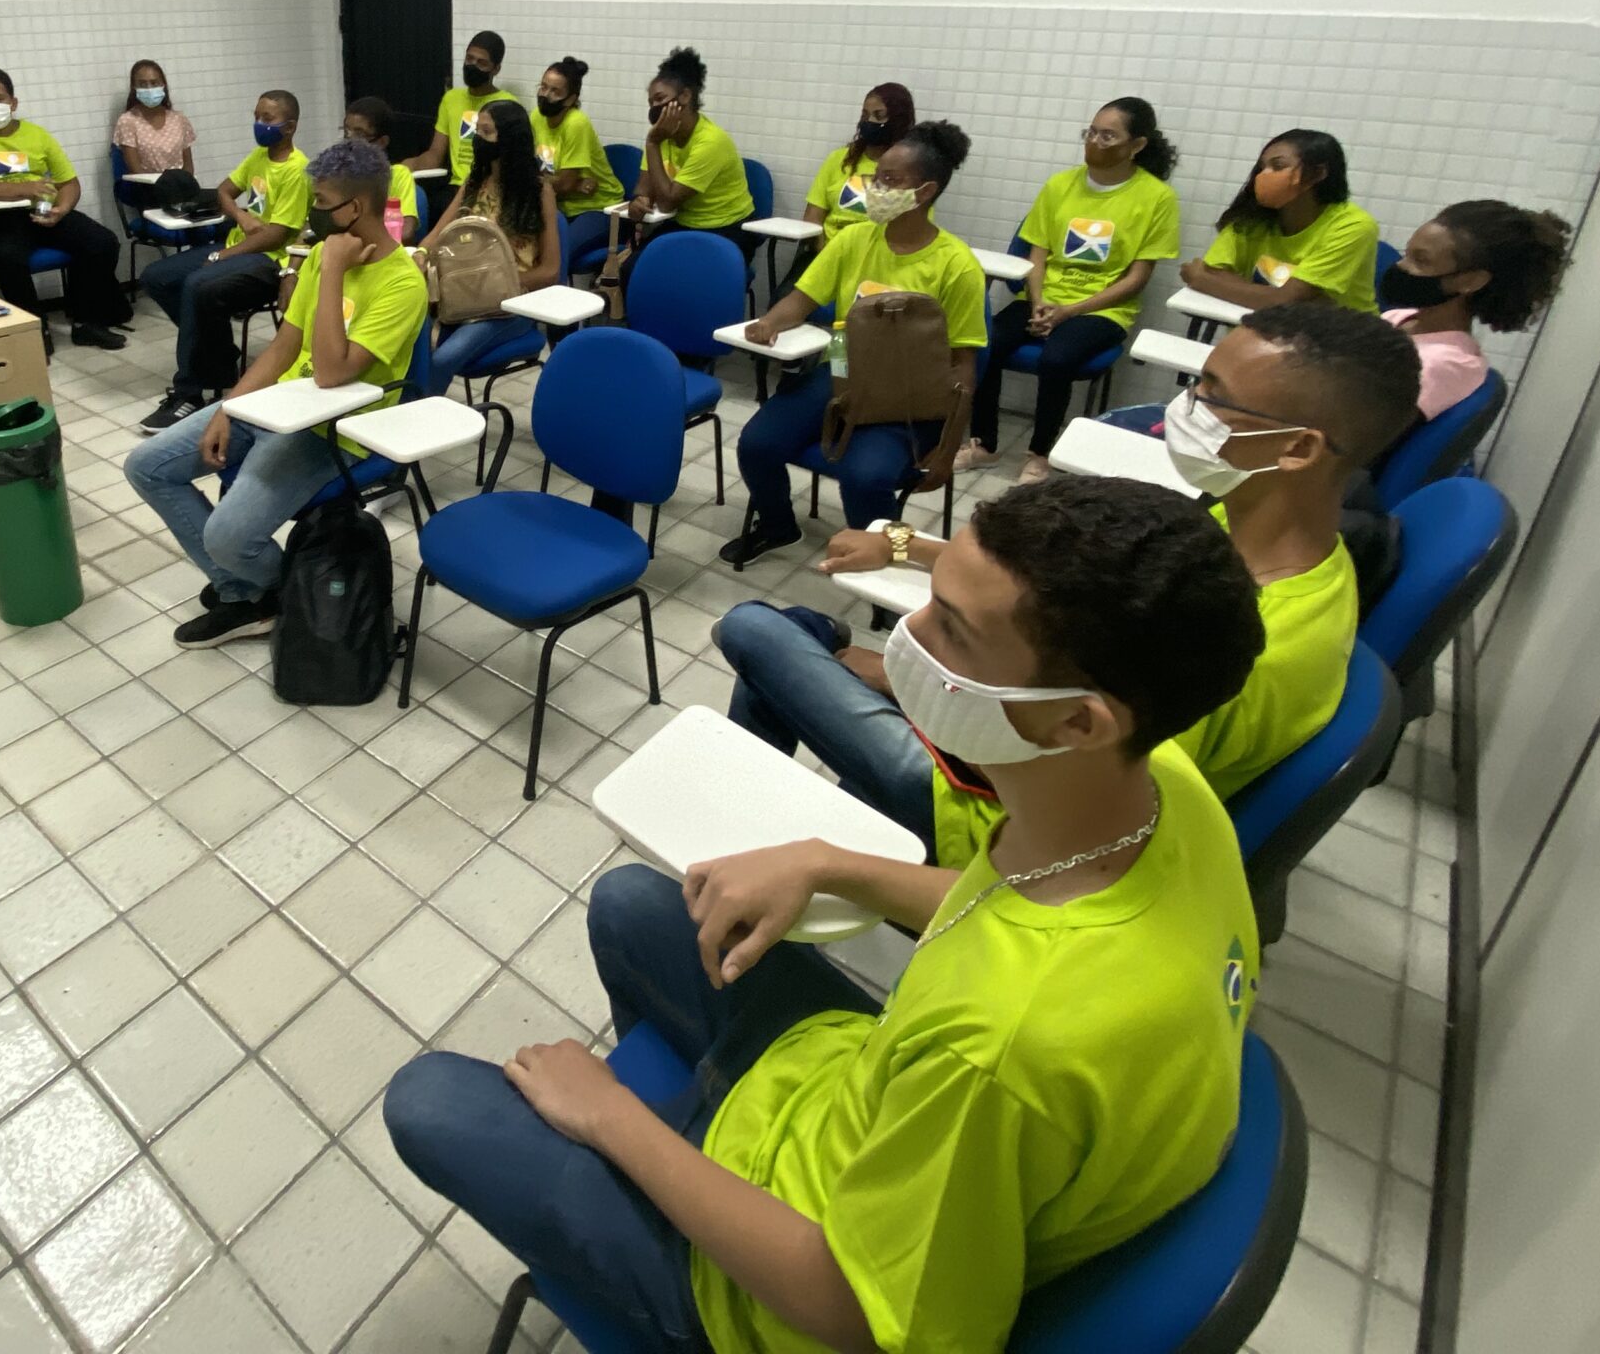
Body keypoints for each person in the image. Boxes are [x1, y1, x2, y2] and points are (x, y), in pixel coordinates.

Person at [385, 475, 1267, 1354]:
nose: (909, 638)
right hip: (850, 1097)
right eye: (929, 601)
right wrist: (825, 863)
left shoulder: (1001, 1053)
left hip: (794, 1293)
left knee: (428, 1102)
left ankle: (664, 1221)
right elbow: (1005, 907)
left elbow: (854, 1312)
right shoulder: (1163, 793)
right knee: (636, 903)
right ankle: (682, 1137)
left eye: (953, 632)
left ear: (1078, 722)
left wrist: (611, 1119)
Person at [716, 299, 1419, 865]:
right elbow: (1059, 585)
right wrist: (904, 544)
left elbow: (1080, 828)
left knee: (759, 631)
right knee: (809, 639)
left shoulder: (1251, 647)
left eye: (1213, 395)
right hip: (1022, 750)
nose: (1185, 407)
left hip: (995, 814)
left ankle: (755, 827)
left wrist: (915, 686)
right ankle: (757, 820)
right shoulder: (1268, 543)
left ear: (1298, 448)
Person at [125, 139, 430, 648]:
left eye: (323, 202)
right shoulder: (320, 255)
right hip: (277, 408)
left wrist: (334, 271)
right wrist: (230, 408)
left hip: (335, 430)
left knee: (226, 536)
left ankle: (275, 592)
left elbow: (331, 374)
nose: (313, 212)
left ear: (356, 208)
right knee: (146, 467)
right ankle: (247, 592)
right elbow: (285, 347)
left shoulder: (401, 283)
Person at [720, 123, 985, 568]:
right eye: (875, 178)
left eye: (889, 181)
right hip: (842, 365)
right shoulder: (853, 238)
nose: (874, 190)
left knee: (865, 476)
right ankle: (779, 525)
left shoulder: (957, 265)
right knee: (757, 444)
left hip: (909, 392)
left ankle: (884, 560)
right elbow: (803, 298)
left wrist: (948, 447)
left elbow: (963, 365)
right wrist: (769, 322)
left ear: (925, 192)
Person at [962, 97, 1181, 476]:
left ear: (1137, 145)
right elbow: (1037, 254)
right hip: (1042, 298)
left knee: (1057, 359)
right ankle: (984, 444)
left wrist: (1069, 312)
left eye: (1108, 136)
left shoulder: (1157, 198)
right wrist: (1038, 302)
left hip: (1103, 309)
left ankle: (1040, 455)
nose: (1094, 142)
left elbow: (1137, 279)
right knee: (985, 343)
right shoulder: (1060, 185)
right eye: (1091, 132)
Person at [136, 91, 309, 434]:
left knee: (197, 284)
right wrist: (242, 217)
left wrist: (222, 255)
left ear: (289, 127)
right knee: (157, 276)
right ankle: (219, 356)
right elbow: (223, 192)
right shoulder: (259, 157)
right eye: (256, 116)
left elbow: (275, 236)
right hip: (240, 246)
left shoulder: (297, 170)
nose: (259, 124)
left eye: (268, 119)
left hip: (270, 260)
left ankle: (190, 392)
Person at [0, 66, 129, 347]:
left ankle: (87, 322)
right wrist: (22, 188)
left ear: (13, 102)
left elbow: (69, 183)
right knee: (7, 259)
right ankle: (35, 331)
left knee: (102, 242)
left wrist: (62, 209)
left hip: (42, 212)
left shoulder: (37, 135)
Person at [1379, 199, 1572, 419]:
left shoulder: (1445, 365)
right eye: (1407, 254)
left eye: (1421, 261)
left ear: (1471, 281)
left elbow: (1367, 429)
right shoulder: (1400, 318)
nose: (1401, 266)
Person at [422, 98, 564, 392]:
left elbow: (550, 270)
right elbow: (436, 236)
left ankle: (414, 413)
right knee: (415, 344)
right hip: (461, 294)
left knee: (443, 358)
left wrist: (494, 284)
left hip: (511, 305)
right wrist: (420, 255)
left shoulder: (539, 192)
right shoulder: (475, 183)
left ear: (509, 139)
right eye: (478, 131)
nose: (478, 139)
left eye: (486, 132)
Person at [600, 46, 757, 308]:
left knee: (685, 283)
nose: (654, 108)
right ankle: (639, 329)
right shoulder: (662, 136)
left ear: (685, 96)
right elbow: (643, 186)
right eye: (650, 103)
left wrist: (652, 144)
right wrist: (639, 200)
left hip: (726, 229)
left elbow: (668, 201)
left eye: (660, 99)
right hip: (685, 223)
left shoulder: (710, 142)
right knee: (633, 271)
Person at [1181, 128, 1379, 314]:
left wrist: (1202, 281)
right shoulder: (1252, 217)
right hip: (1261, 326)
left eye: (1278, 166)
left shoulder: (1354, 225)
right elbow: (1214, 271)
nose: (1263, 176)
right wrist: (1281, 298)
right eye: (1262, 168)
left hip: (1339, 336)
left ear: (1317, 174)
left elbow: (1285, 300)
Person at [406, 29, 512, 222]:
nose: (472, 66)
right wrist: (406, 166)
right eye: (469, 59)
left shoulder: (507, 105)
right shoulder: (451, 98)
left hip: (489, 189)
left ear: (495, 69)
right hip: (456, 188)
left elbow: (510, 161)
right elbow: (435, 155)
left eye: (481, 63)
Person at [534, 57, 623, 266]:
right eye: (543, 87)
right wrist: (573, 185)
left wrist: (565, 184)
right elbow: (525, 167)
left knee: (556, 256)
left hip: (598, 208)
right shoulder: (536, 117)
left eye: (555, 91)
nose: (545, 95)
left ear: (571, 99)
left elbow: (563, 184)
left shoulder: (576, 123)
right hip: (558, 205)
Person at [801, 82, 917, 236]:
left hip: (877, 248)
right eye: (865, 115)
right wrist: (826, 250)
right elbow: (812, 218)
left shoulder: (911, 169)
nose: (870, 121)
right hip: (830, 246)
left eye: (879, 116)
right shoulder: (839, 158)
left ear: (898, 121)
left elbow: (912, 232)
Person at [343, 96, 421, 243]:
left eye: (359, 134)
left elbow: (405, 232)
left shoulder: (398, 175)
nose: (350, 141)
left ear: (382, 142)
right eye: (347, 131)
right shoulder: (337, 176)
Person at [113, 59, 196, 176]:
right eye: (142, 84)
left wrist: (186, 183)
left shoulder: (179, 119)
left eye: (154, 83)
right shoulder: (128, 121)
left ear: (163, 85)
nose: (149, 88)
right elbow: (136, 169)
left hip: (180, 183)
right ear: (134, 88)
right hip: (146, 185)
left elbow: (188, 165)